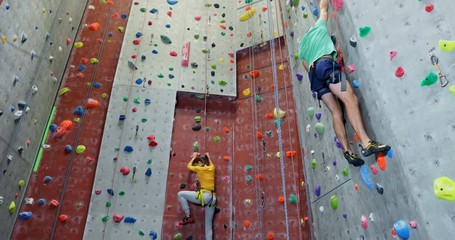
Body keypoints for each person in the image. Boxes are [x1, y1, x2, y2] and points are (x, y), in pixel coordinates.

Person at [299, 0, 390, 167]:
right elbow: (323, 8)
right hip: (327, 67)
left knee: (335, 111)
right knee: (349, 98)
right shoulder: (319, 28)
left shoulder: (302, 49)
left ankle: (347, 151)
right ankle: (366, 142)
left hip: (316, 79)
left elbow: (307, 68)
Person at [178, 152, 217, 240]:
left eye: (197, 163)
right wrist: (208, 157)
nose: (196, 165)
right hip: (212, 199)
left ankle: (188, 216)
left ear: (202, 163)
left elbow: (189, 166)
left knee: (180, 194)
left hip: (205, 196)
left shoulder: (200, 169)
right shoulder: (211, 168)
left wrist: (194, 157)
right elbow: (211, 163)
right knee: (208, 225)